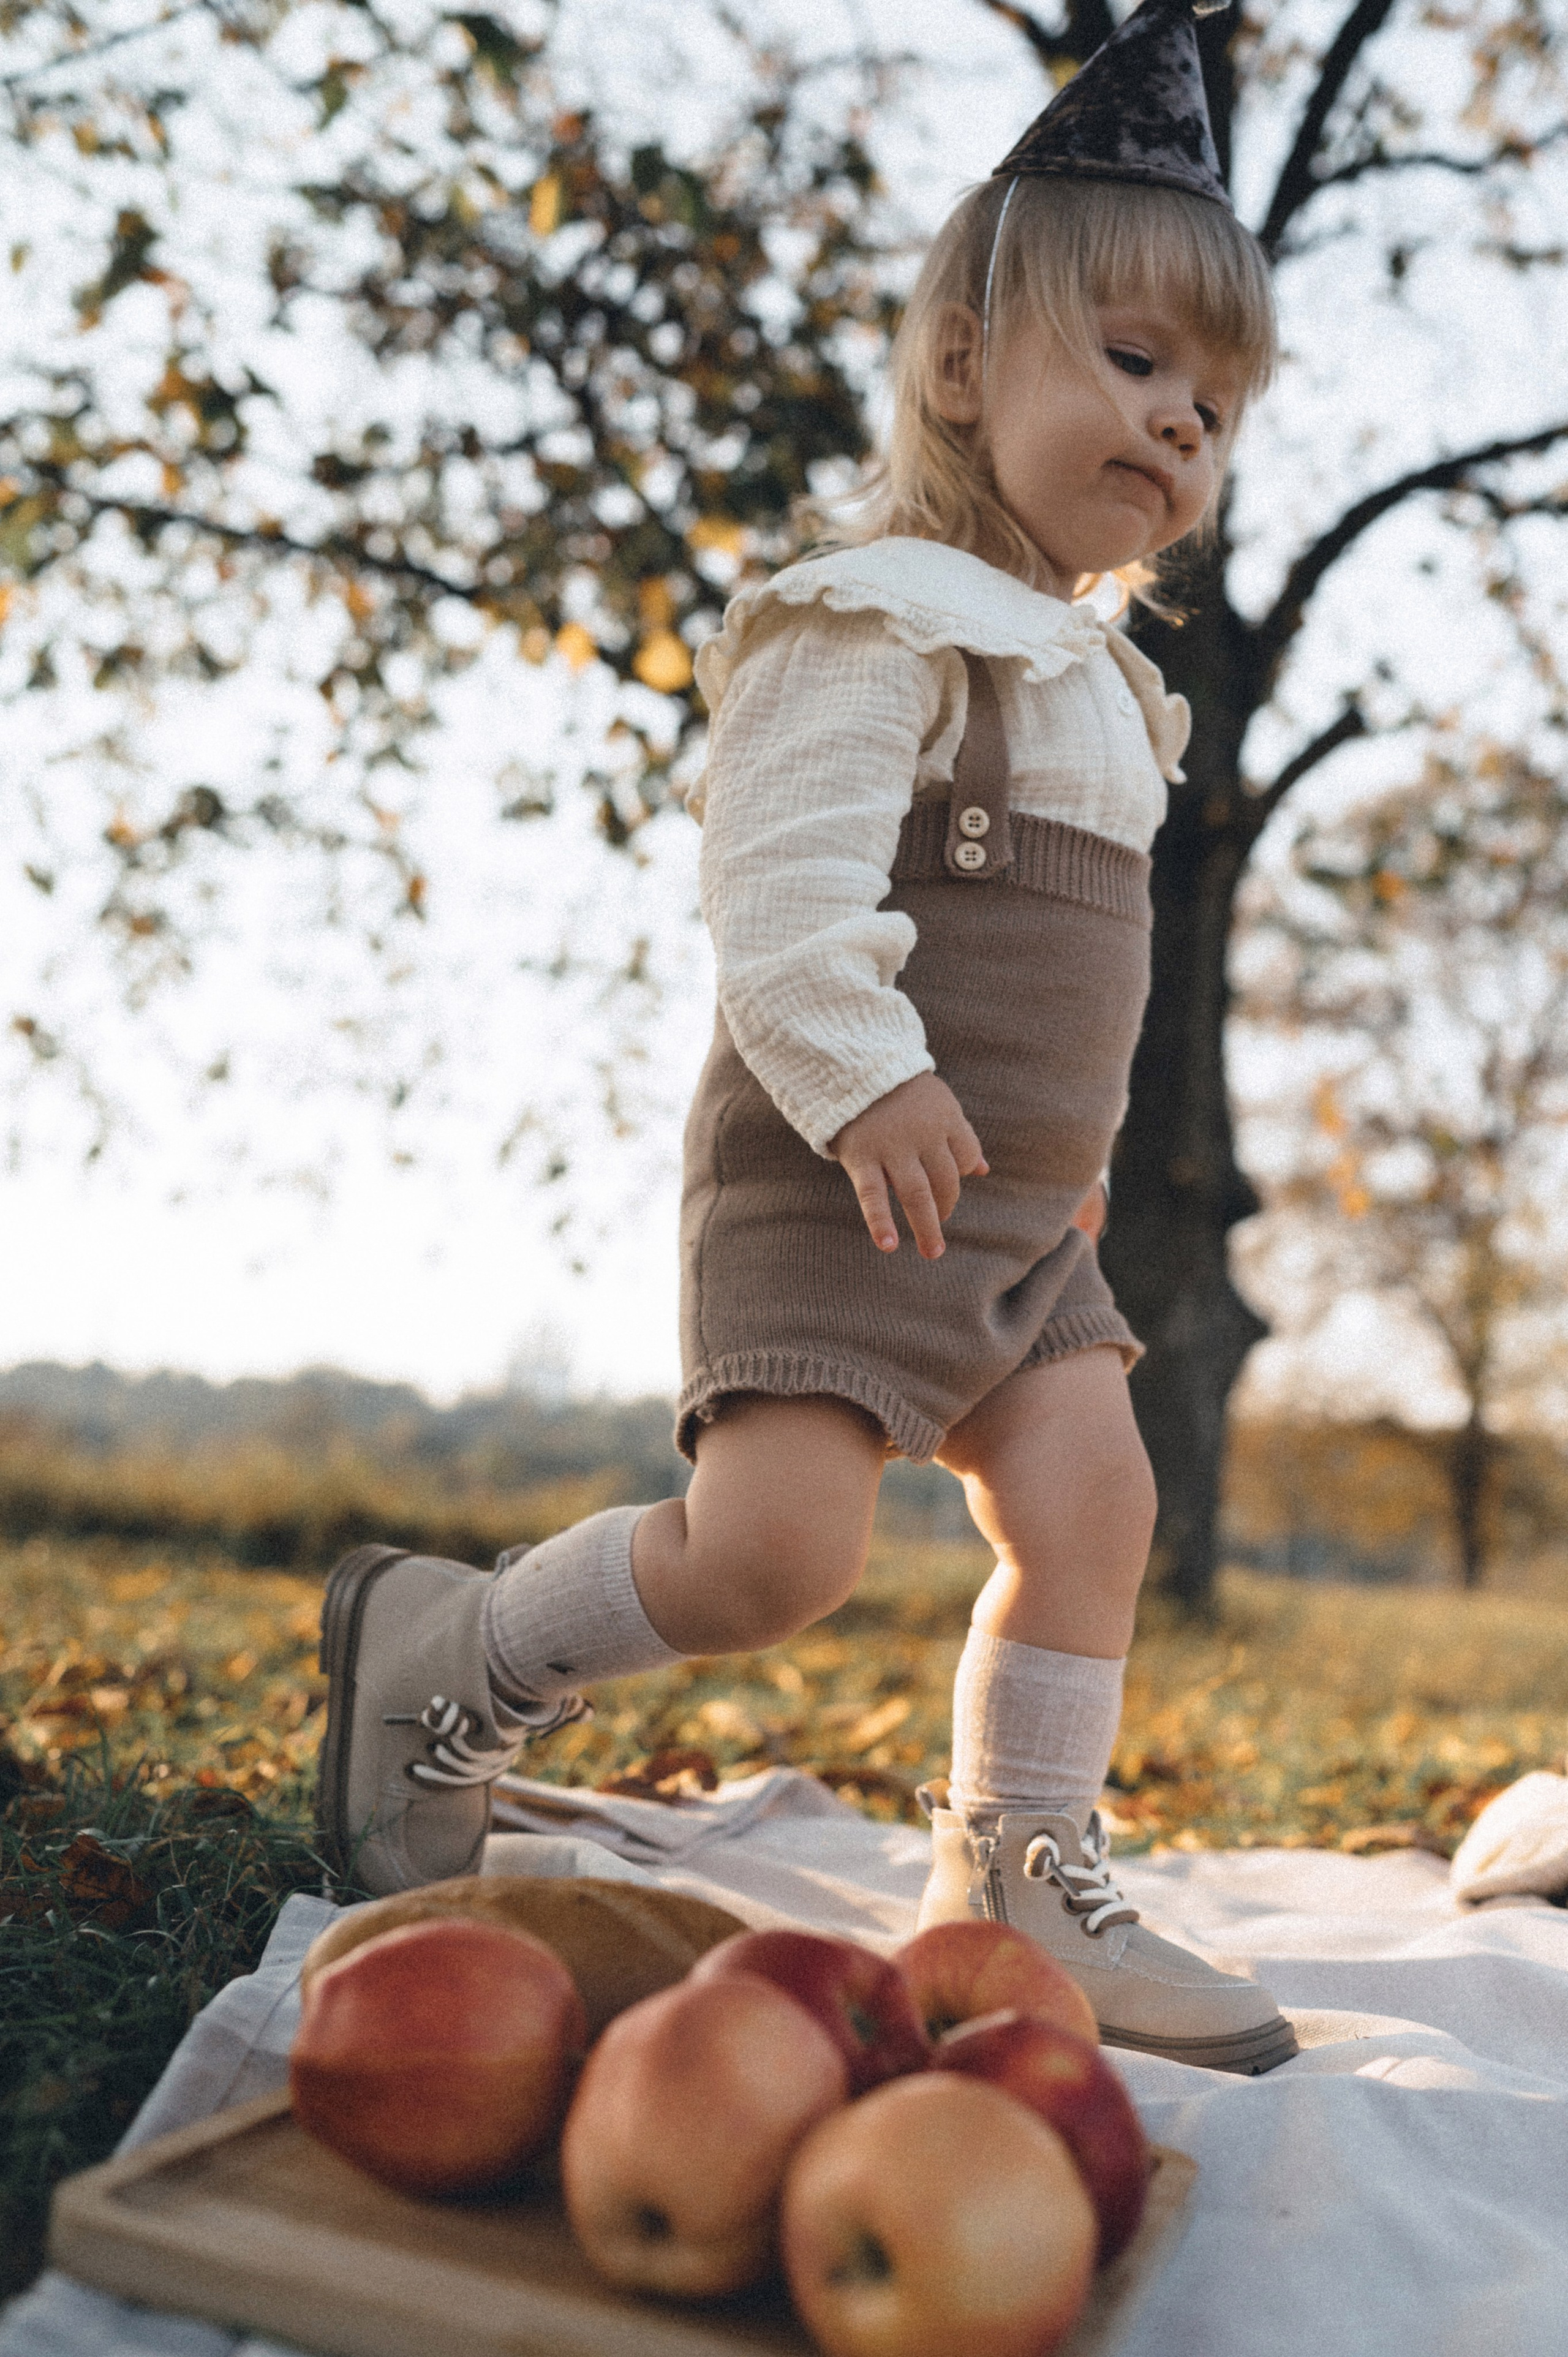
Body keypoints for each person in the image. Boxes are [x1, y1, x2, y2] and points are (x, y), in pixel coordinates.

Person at [315, 0, 1296, 2073]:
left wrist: (1074, 1168)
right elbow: (778, 896)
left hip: (1016, 1217)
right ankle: (458, 1647)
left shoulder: (1111, 696)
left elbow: (1078, 993)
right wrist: (871, 1074)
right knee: (774, 1557)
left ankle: (1019, 1860)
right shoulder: (873, 619)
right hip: (839, 1169)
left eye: (1216, 404)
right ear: (965, 366)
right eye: (1136, 360)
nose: (1181, 423)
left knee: (1095, 1504)